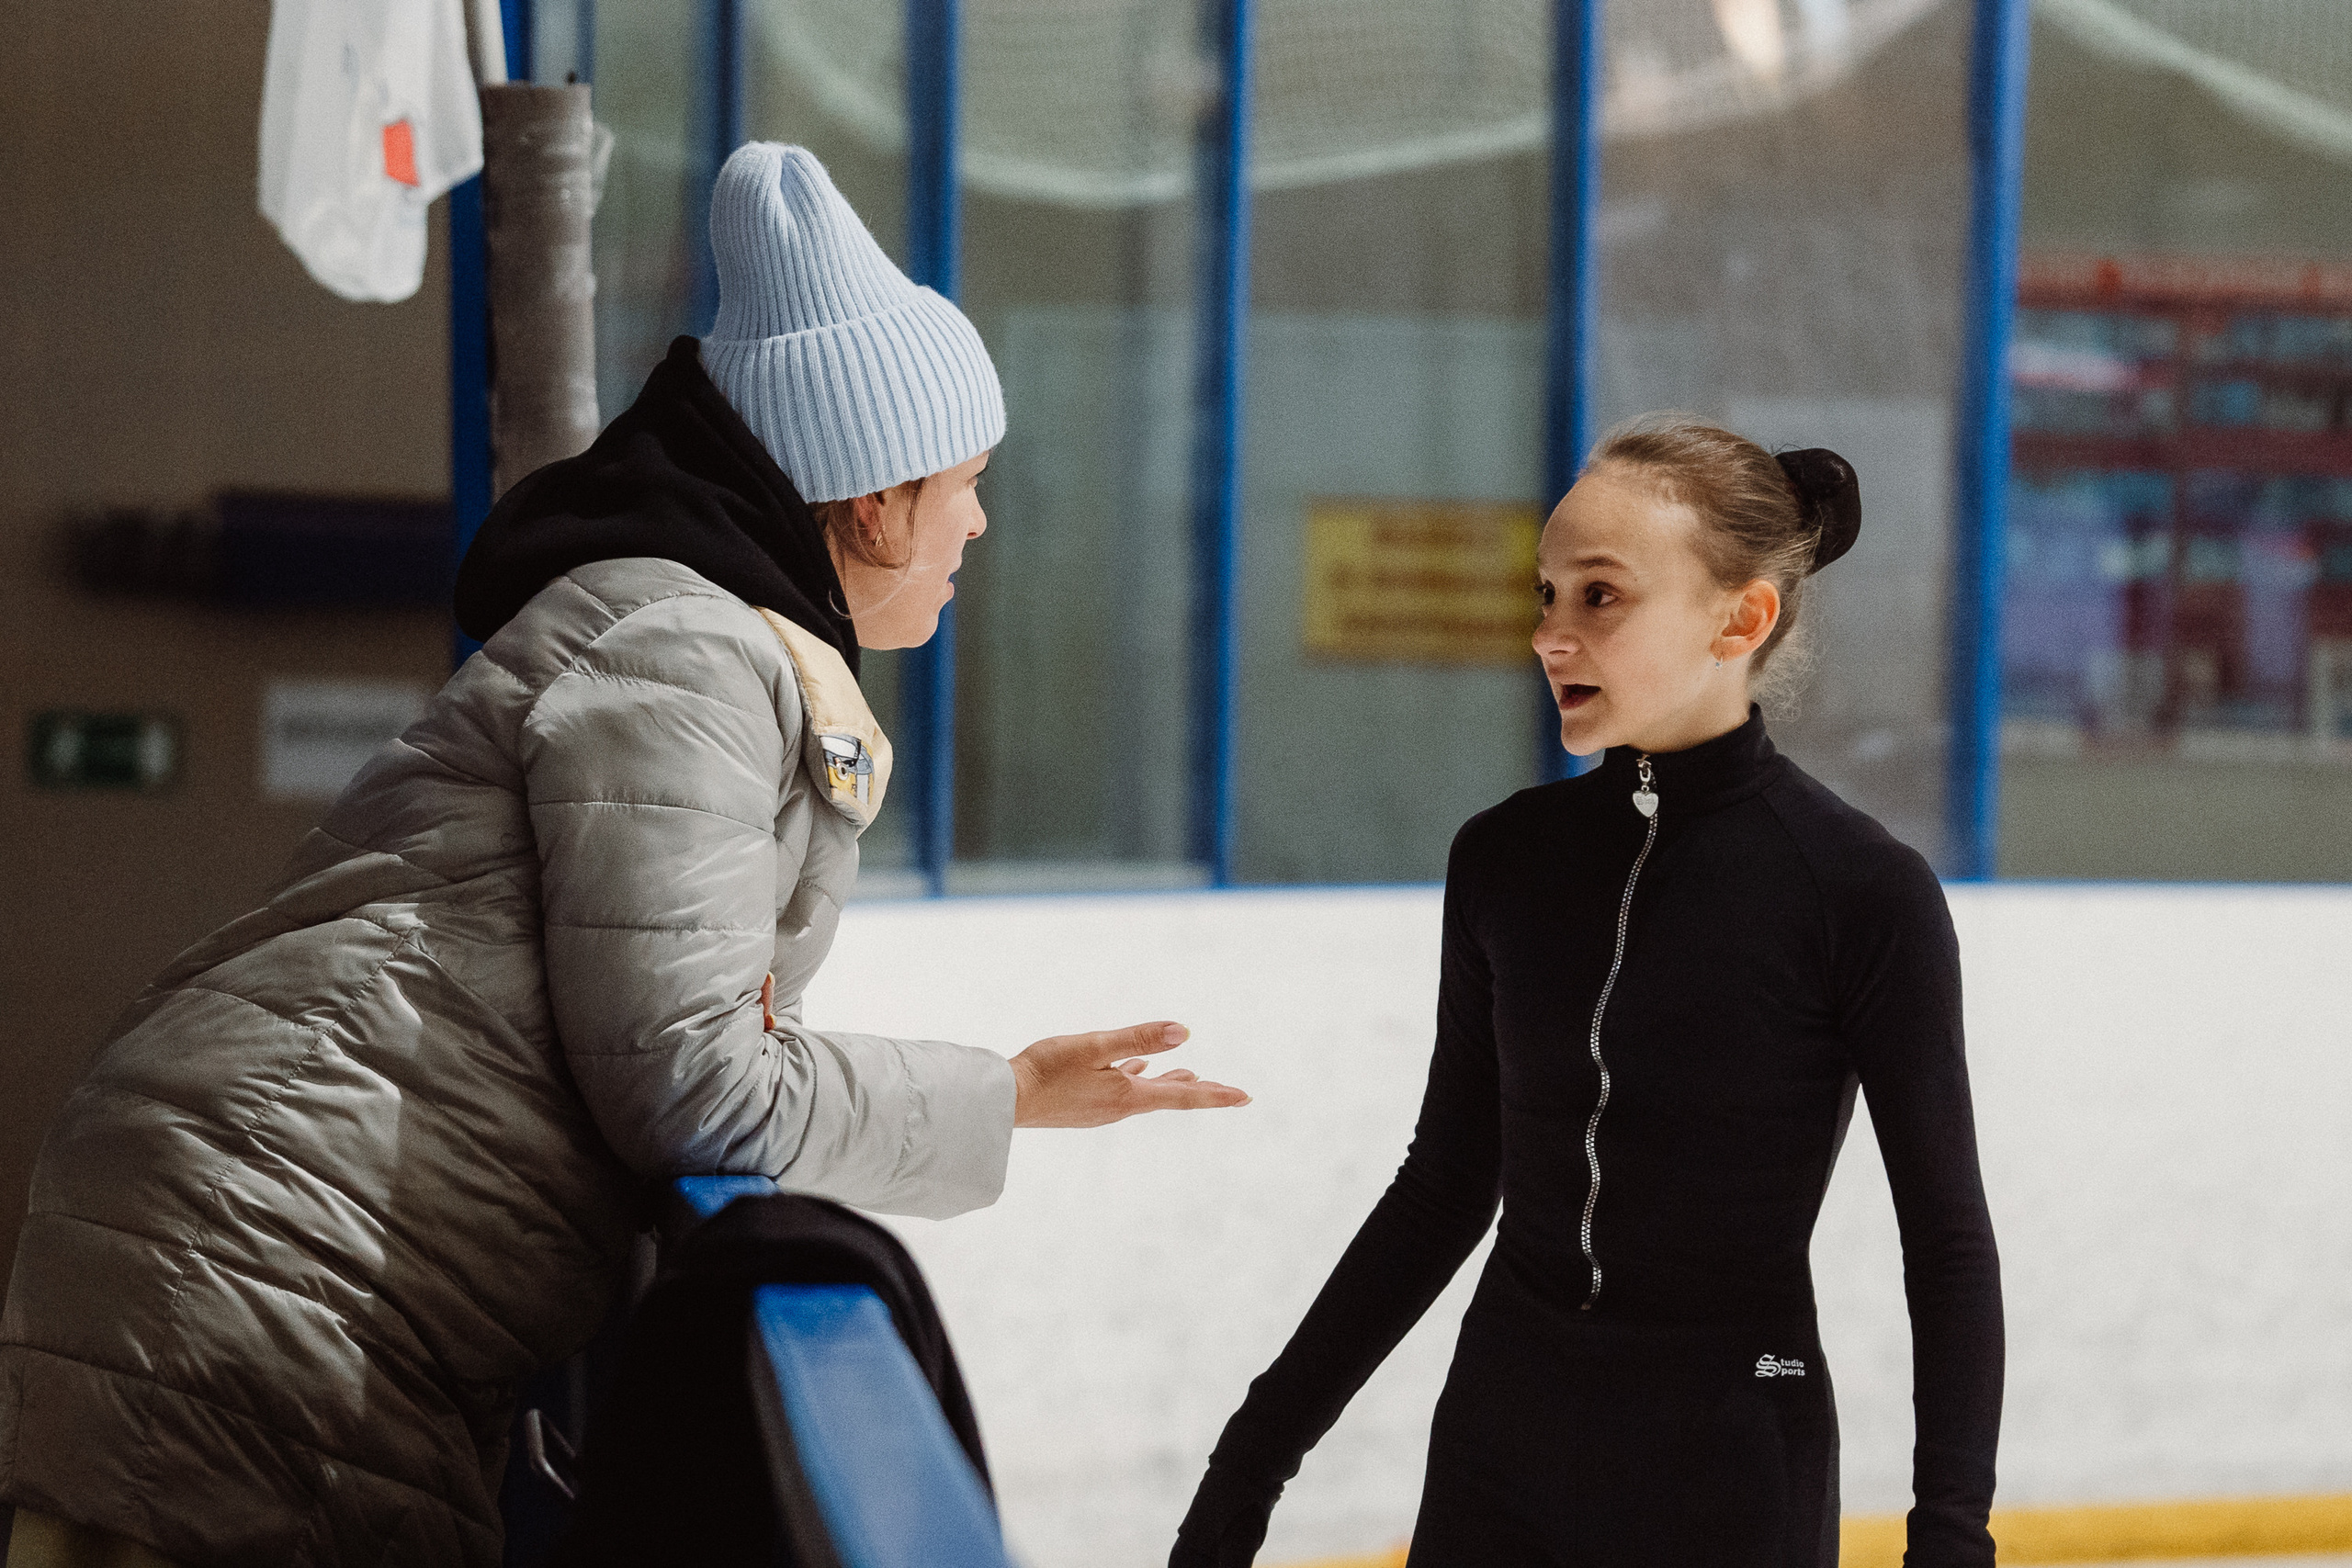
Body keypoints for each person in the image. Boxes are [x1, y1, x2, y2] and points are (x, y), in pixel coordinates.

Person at [0, 142, 1245, 1568]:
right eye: (964, 480)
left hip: (275, 1253)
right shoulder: (689, 651)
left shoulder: (686, 632)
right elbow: (695, 1082)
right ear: (870, 498)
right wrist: (1001, 1093)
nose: (976, 521)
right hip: (274, 1271)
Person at [1170, 417, 2003, 1567]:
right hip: (1502, 1452)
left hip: (1733, 1456)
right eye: (1546, 594)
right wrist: (1251, 1461)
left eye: (1599, 599)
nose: (1550, 636)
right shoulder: (1506, 859)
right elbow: (1444, 1186)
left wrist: (1951, 1535)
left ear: (1740, 617)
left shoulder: (1860, 893)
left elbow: (1946, 1244)